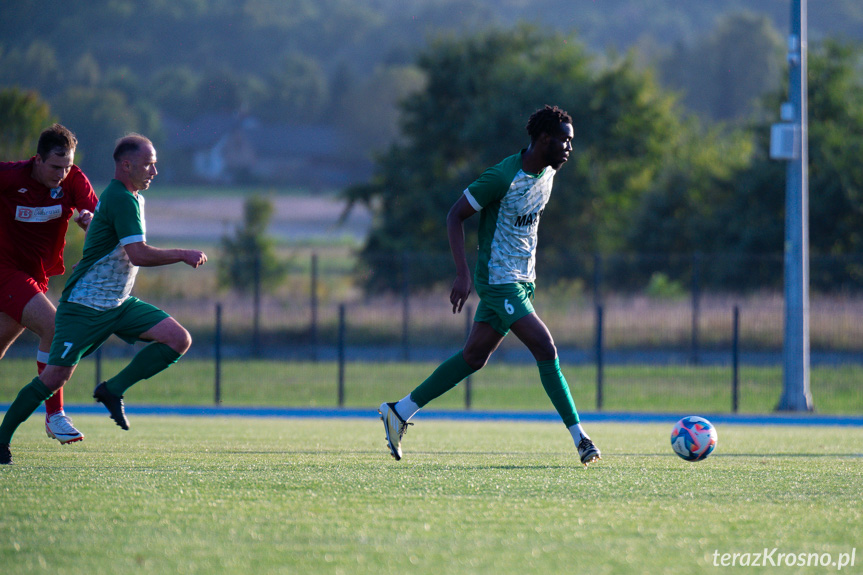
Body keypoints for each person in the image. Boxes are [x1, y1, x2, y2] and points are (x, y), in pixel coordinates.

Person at [378, 105, 601, 466]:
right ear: (544, 138)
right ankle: (582, 439)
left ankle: (398, 411)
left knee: (473, 357)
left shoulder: (548, 172)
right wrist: (463, 273)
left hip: (523, 281)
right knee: (546, 348)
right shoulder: (502, 176)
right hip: (499, 282)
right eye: (565, 140)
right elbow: (455, 215)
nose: (569, 148)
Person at [0, 134, 207, 465]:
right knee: (53, 373)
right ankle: (12, 435)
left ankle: (112, 390)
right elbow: (137, 254)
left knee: (177, 339)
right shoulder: (121, 198)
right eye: (148, 163)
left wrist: (90, 222)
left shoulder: (128, 196)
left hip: (117, 303)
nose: (154, 170)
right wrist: (182, 253)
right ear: (126, 165)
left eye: (67, 166)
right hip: (82, 306)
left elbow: (99, 220)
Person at [1, 124, 98, 444]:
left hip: (35, 276)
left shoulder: (73, 179)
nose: (62, 173)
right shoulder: (12, 177)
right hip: (5, 270)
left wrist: (89, 222)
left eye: (67, 166)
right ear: (37, 160)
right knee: (54, 327)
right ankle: (54, 415)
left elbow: (96, 214)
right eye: (55, 166)